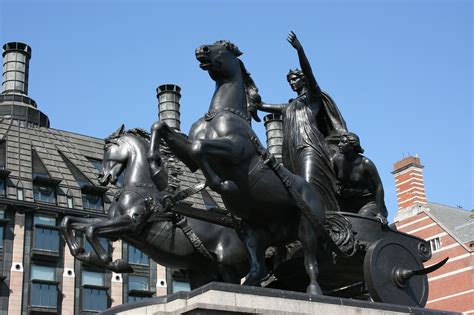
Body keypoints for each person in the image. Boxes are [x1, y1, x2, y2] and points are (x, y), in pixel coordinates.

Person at [256, 31, 346, 212]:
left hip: (309, 145)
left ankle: (327, 219)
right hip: (290, 151)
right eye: (290, 80)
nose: (292, 82)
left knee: (309, 184)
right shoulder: (289, 106)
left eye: (295, 78)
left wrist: (300, 50)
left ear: (303, 79)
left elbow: (308, 71)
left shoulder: (313, 97)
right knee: (293, 189)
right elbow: (262, 105)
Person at [332, 132, 388, 223]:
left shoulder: (366, 163)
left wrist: (380, 212)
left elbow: (379, 186)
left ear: (352, 145)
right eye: (339, 142)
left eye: (343, 142)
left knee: (359, 222)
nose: (339, 145)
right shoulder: (337, 160)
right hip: (348, 203)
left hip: (369, 203)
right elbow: (335, 179)